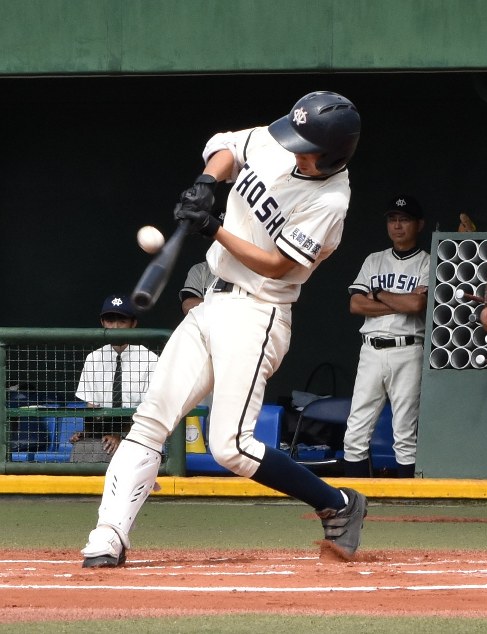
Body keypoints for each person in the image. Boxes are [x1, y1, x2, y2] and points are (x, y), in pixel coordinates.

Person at [80, 91, 367, 568]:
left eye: (305, 145)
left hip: (260, 312)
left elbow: (277, 265)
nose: (291, 148)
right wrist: (205, 182)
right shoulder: (278, 140)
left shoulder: (331, 200)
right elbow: (229, 149)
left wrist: (212, 226)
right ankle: (108, 535)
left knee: (230, 446)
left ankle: (338, 503)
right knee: (152, 418)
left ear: (333, 154)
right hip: (212, 299)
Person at [342, 195, 429, 478]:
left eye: (404, 219)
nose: (397, 225)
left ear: (419, 224)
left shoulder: (427, 262)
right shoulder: (374, 260)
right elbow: (356, 304)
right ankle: (353, 499)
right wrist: (397, 300)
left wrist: (377, 293)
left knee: (404, 432)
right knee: (356, 429)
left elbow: (417, 306)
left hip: (408, 349)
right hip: (371, 349)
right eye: (392, 219)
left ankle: (406, 502)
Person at [70, 294, 159, 463]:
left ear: (133, 323)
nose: (116, 326)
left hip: (139, 435)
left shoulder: (150, 359)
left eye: (122, 321)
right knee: (82, 449)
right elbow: (92, 406)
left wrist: (122, 435)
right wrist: (87, 433)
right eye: (110, 320)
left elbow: (150, 411)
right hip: (103, 434)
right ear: (102, 323)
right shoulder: (94, 358)